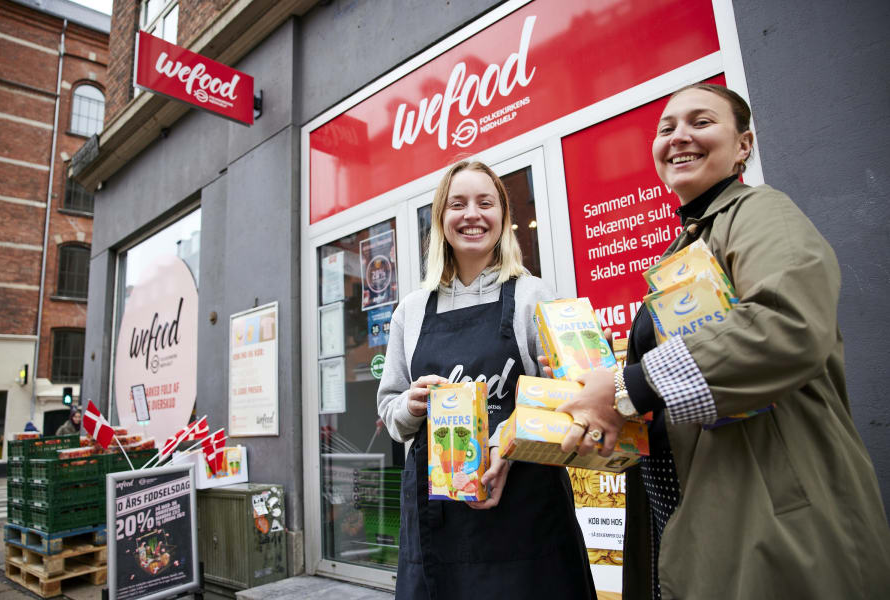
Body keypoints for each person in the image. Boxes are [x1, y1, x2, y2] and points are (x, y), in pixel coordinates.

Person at [551, 84, 890, 599]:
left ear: (743, 145)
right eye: (667, 128)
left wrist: (626, 388)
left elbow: (787, 325)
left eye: (701, 122)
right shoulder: (686, 245)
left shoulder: (762, 212)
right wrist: (599, 401)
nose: (678, 136)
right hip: (695, 511)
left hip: (772, 518)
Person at [377, 160, 595, 598]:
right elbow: (390, 409)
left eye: (485, 203)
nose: (472, 215)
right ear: (441, 218)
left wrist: (504, 448)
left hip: (525, 512)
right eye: (457, 204)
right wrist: (410, 405)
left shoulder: (533, 295)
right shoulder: (411, 311)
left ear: (503, 216)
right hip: (438, 517)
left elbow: (566, 398)